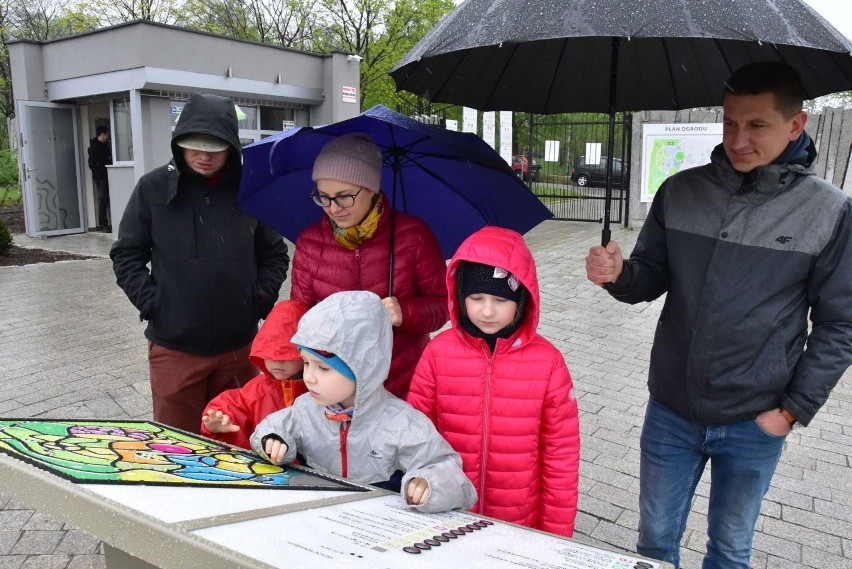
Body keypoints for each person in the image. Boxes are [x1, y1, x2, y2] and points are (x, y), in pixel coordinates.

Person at [585, 61, 852, 569]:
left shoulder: (831, 212)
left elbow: (841, 324)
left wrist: (792, 410)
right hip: (670, 409)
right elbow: (649, 276)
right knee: (653, 544)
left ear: (795, 125)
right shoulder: (681, 191)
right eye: (730, 122)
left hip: (756, 418)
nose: (738, 138)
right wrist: (619, 274)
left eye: (756, 125)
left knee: (730, 550)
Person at [110, 93, 290, 435]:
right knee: (176, 441)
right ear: (179, 143)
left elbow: (274, 255)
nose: (204, 155)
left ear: (232, 147)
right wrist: (153, 303)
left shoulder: (248, 189)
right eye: (195, 144)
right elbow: (127, 254)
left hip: (238, 347)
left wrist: (258, 301)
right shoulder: (153, 188)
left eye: (216, 146)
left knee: (233, 438)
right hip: (175, 347)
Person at [407, 226, 580, 536]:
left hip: (518, 522)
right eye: (476, 297)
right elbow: (415, 437)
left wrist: (556, 537)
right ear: (460, 295)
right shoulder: (437, 353)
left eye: (500, 300)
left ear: (522, 299)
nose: (486, 311)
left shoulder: (549, 362)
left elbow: (561, 459)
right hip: (448, 512)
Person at [250, 290, 477, 513]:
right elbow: (271, 428)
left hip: (377, 528)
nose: (309, 377)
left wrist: (429, 484)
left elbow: (450, 473)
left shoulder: (401, 422)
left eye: (324, 368)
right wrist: (273, 440)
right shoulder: (306, 408)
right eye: (306, 363)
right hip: (318, 522)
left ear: (363, 368)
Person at [289, 132, 448, 399]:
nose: (333, 208)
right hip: (335, 392)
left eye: (344, 196)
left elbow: (443, 305)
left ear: (372, 189)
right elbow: (299, 317)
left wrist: (405, 312)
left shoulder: (413, 235)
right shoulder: (310, 242)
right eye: (324, 197)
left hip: (402, 384)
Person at [201, 300, 309, 449]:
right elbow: (230, 406)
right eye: (268, 353)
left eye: (286, 354)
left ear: (305, 353)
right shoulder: (257, 389)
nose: (277, 362)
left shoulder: (319, 389)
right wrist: (218, 425)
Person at [87, 126, 112, 232]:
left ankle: (108, 222)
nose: (108, 136)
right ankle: (103, 224)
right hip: (102, 178)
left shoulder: (105, 146)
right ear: (102, 134)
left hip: (108, 176)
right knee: (102, 199)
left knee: (106, 199)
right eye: (107, 134)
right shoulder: (94, 147)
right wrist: (99, 177)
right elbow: (92, 164)